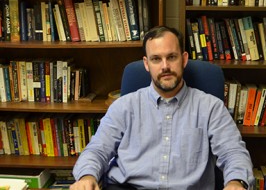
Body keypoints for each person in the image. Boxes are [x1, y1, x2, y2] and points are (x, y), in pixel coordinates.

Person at [70, 26, 254, 190]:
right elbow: (97, 150)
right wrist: (87, 176)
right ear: (146, 64)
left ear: (184, 59)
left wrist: (236, 182)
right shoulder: (124, 106)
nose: (165, 66)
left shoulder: (210, 107)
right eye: (156, 59)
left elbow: (233, 151)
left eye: (171, 57)